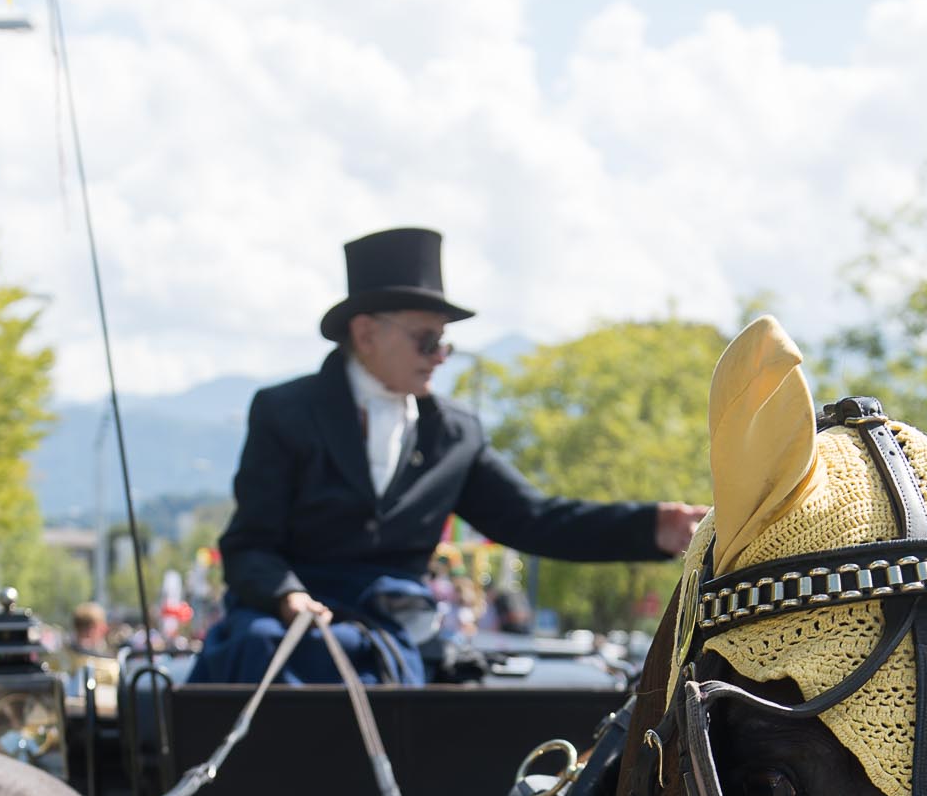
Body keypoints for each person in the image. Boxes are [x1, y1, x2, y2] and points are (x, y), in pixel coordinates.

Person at [189, 227, 705, 685]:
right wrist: (287, 595)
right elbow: (248, 545)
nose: (440, 356)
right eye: (426, 340)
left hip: (388, 623)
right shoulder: (286, 412)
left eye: (445, 343)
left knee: (379, 664)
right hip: (289, 615)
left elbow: (536, 519)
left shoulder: (454, 433)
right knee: (258, 647)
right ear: (366, 333)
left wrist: (654, 527)